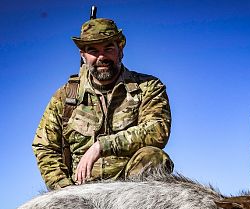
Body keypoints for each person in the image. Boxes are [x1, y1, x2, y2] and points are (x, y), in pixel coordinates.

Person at [32, 18, 173, 190]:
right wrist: (65, 190)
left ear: (120, 49)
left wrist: (102, 146)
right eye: (93, 50)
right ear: (82, 55)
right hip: (81, 190)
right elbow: (44, 147)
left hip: (131, 189)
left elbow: (157, 130)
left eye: (108, 48)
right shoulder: (65, 96)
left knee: (154, 157)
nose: (101, 57)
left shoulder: (148, 87)